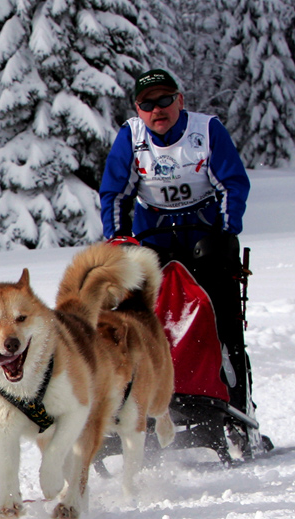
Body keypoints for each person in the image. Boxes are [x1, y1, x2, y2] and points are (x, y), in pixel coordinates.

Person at [99, 68, 252, 412]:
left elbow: (233, 184)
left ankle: (238, 403)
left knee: (224, 318)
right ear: (138, 109)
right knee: (134, 322)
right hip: (152, 238)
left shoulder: (207, 130)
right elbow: (115, 193)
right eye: (147, 103)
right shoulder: (131, 137)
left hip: (204, 237)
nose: (158, 110)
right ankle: (134, 402)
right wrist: (118, 239)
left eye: (165, 100)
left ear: (179, 101)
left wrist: (226, 231)